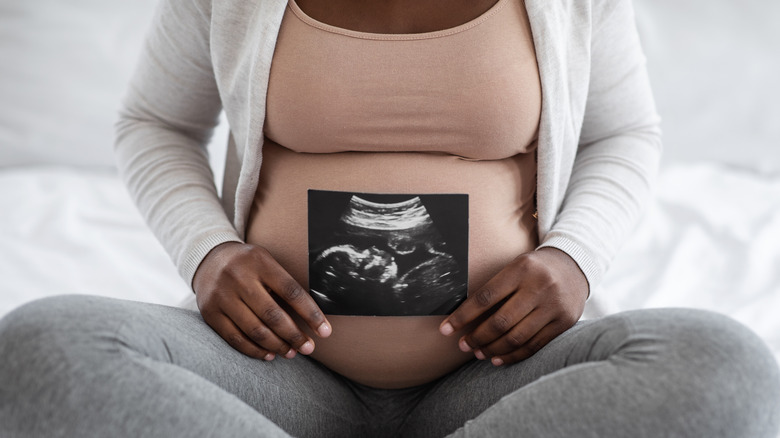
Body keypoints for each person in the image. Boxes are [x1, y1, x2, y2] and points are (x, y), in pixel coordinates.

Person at [1, 0, 778, 436]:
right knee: (44, 346)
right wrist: (208, 255)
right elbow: (154, 124)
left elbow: (625, 134)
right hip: (271, 379)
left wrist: (574, 259)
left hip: (501, 386)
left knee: (724, 365)